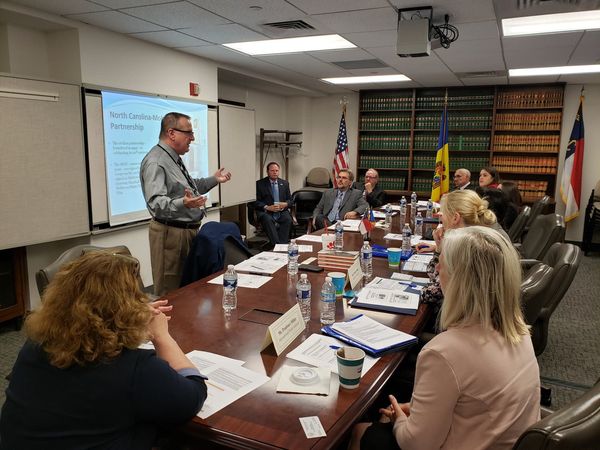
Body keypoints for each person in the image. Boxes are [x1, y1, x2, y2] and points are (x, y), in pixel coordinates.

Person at [350, 226, 540, 450]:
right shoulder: (518, 328)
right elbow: (476, 398)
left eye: (444, 264)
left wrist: (399, 419)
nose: (437, 268)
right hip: (502, 438)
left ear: (462, 280)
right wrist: (419, 409)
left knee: (360, 431)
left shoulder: (444, 352)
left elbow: (415, 444)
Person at [0, 252, 207, 450]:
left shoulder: (33, 347)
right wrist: (162, 336)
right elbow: (193, 395)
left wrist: (127, 326)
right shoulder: (135, 369)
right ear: (125, 308)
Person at [140, 112, 231, 295]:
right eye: (188, 133)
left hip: (185, 232)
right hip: (170, 235)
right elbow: (155, 203)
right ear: (171, 133)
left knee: (187, 287)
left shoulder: (172, 158)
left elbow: (189, 187)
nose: (193, 138)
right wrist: (184, 203)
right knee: (171, 291)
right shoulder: (156, 161)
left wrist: (213, 180)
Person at [255, 161, 292, 246]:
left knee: (288, 219)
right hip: (266, 212)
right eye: (272, 170)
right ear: (267, 172)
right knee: (267, 220)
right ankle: (276, 245)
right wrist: (267, 207)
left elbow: (290, 200)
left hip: (281, 211)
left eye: (277, 170)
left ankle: (282, 245)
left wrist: (286, 204)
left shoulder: (285, 183)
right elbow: (254, 202)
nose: (275, 172)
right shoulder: (259, 184)